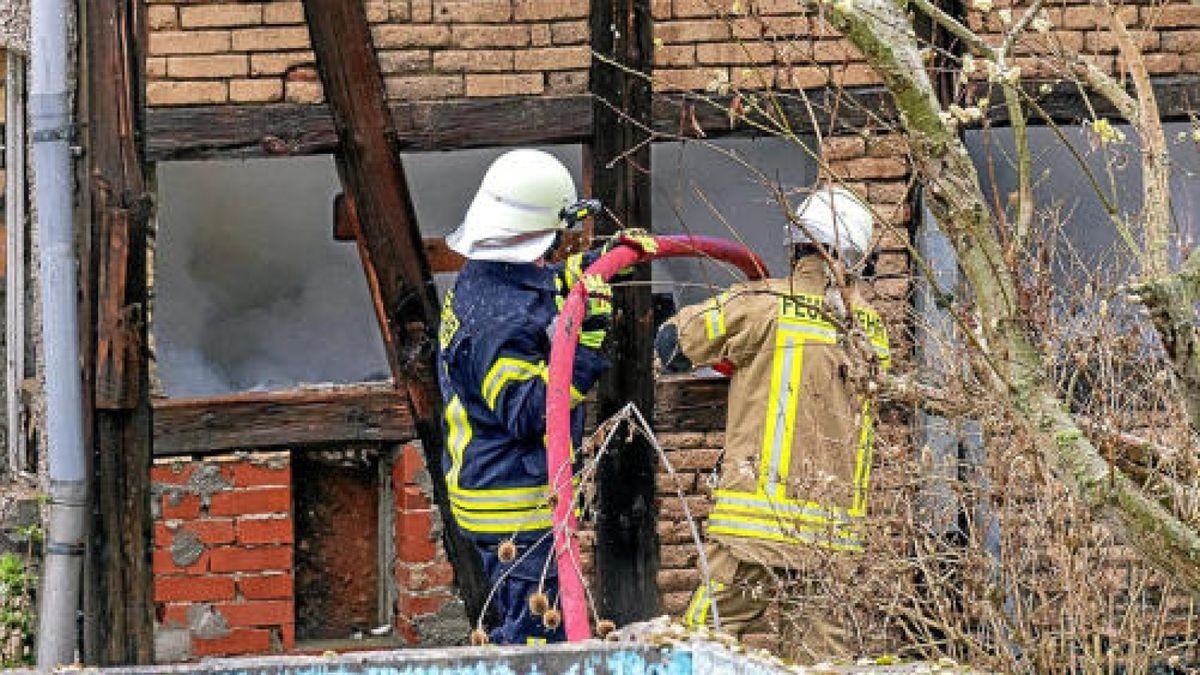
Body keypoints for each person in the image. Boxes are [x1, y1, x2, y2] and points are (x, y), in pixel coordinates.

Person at [657, 185, 891, 662]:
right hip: (832, 532)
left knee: (706, 643)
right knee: (822, 658)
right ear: (856, 259)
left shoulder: (760, 304)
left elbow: (673, 344)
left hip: (755, 525)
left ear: (797, 245)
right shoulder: (872, 330)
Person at [437, 148, 648, 645]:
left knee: (529, 621)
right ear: (543, 232)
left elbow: (542, 285)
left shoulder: (487, 279)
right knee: (538, 636)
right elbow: (533, 411)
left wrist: (597, 264)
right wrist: (587, 344)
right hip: (513, 504)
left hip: (499, 487)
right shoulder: (498, 325)